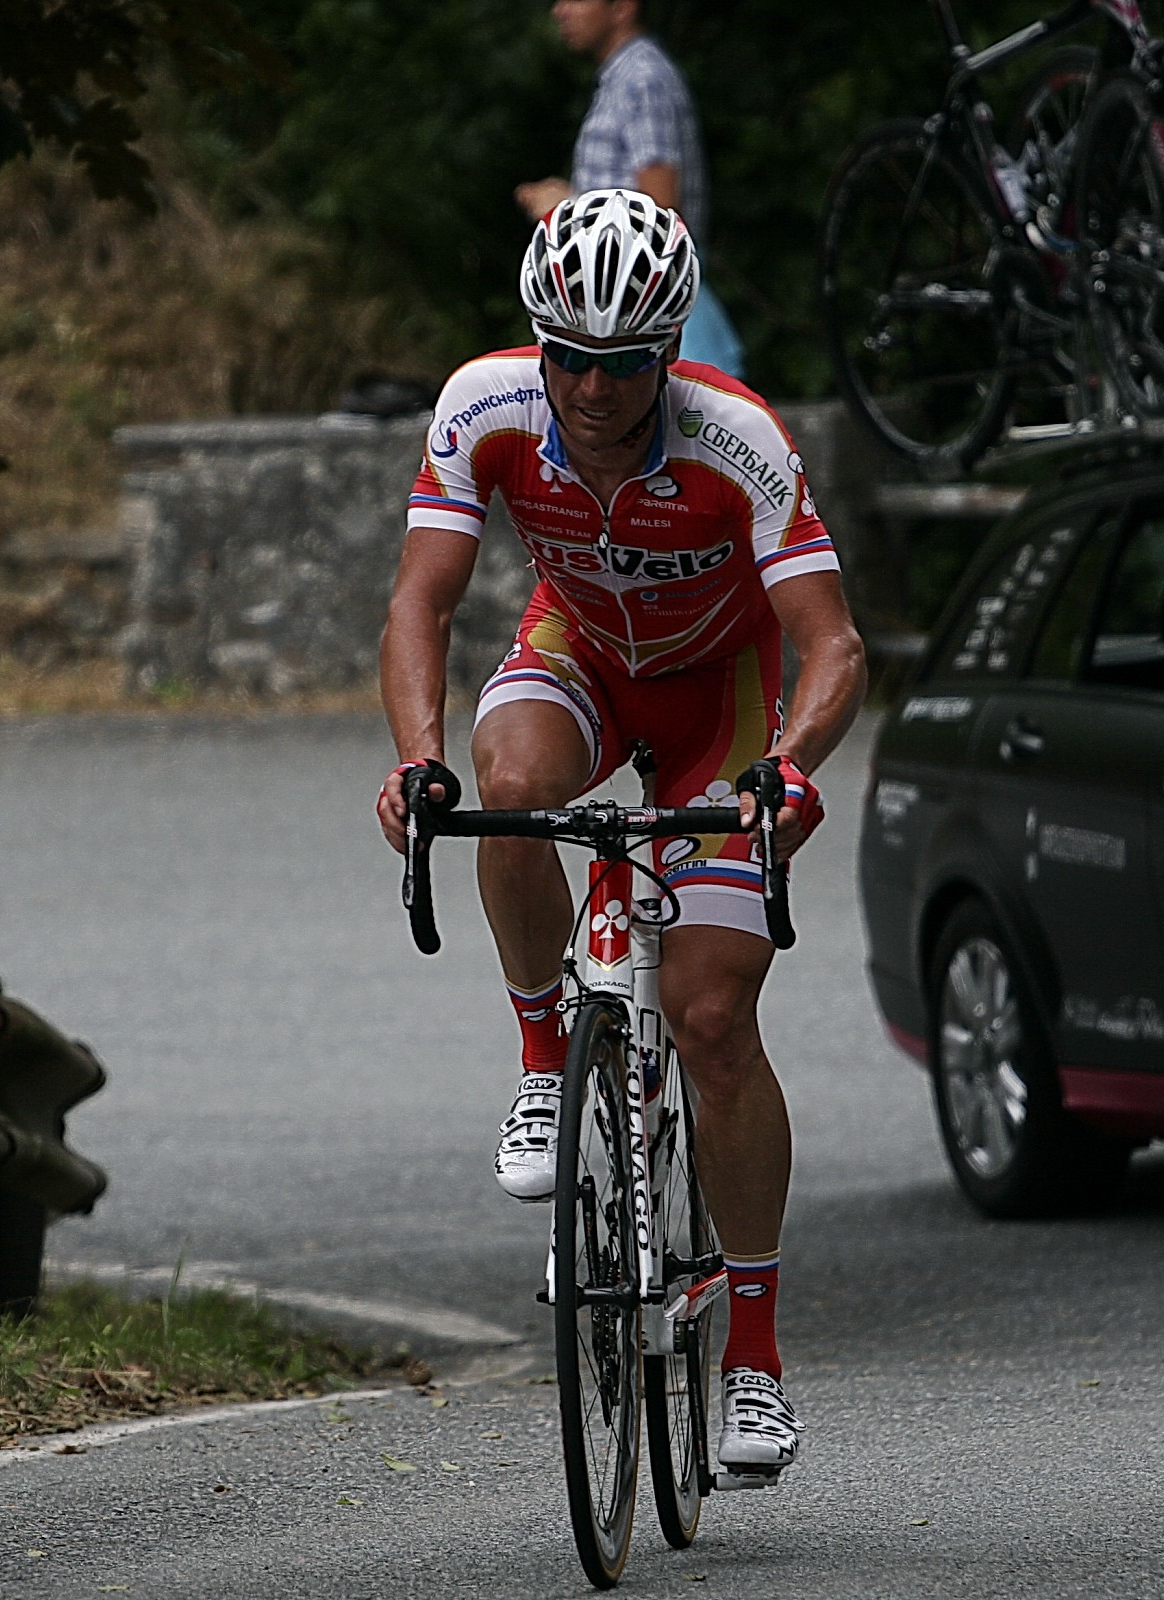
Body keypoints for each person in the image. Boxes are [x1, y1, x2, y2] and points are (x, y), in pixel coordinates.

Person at [375, 191, 867, 1477]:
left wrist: (786, 768)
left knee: (709, 1019)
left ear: (668, 351)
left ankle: (752, 1355)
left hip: (726, 698)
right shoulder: (485, 406)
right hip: (584, 655)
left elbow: (831, 644)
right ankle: (547, 1057)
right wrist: (416, 762)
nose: (591, 387)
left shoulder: (737, 437)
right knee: (509, 774)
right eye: (569, 356)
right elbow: (422, 607)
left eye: (625, 362)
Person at [515, 0, 749, 377]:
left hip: (644, 296)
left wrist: (566, 207)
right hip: (631, 299)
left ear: (623, 7)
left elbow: (660, 214)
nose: (560, 10)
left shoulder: (642, 78)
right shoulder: (623, 77)